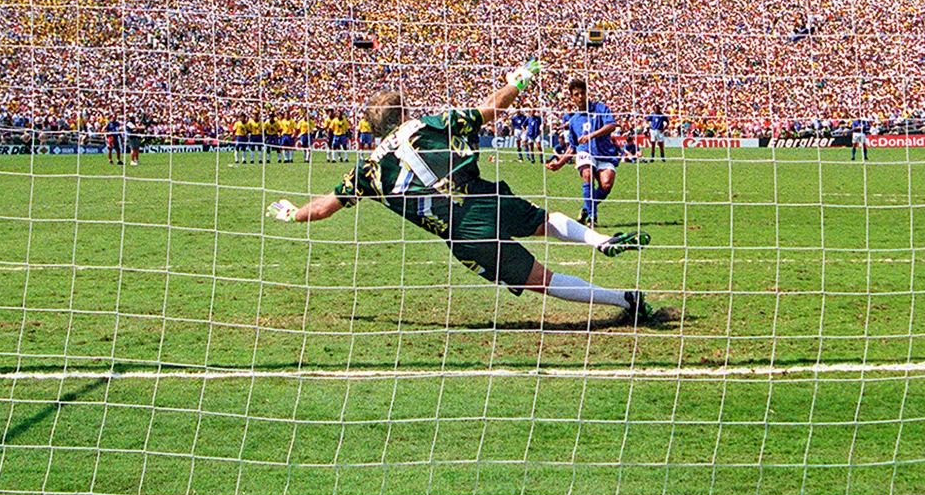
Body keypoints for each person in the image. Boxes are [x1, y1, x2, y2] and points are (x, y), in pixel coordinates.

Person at [266, 61, 656, 323]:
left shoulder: (367, 170)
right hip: (480, 195)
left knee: (540, 277)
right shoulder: (425, 125)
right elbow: (490, 109)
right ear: (404, 114)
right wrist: (517, 81)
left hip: (461, 232)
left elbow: (323, 209)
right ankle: (599, 240)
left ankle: (624, 299)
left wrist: (293, 212)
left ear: (373, 128)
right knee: (545, 221)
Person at [559, 78, 622, 226]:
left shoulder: (600, 108)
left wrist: (591, 135)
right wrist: (560, 163)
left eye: (582, 93)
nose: (580, 96)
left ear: (587, 93)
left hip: (604, 153)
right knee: (587, 174)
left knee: (606, 185)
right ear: (572, 97)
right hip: (585, 152)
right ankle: (593, 217)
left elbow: (612, 125)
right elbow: (573, 146)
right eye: (576, 94)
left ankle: (586, 208)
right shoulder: (573, 120)